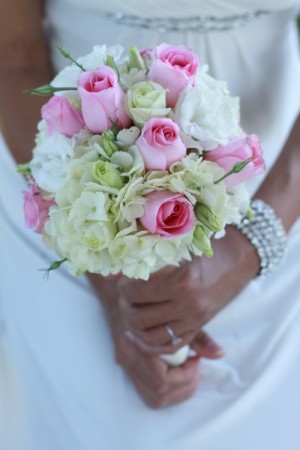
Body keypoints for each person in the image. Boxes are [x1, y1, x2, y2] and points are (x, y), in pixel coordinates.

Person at [0, 0, 300, 449]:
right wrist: (103, 257)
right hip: (68, 179)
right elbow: (14, 54)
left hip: (280, 180)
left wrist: (253, 243)